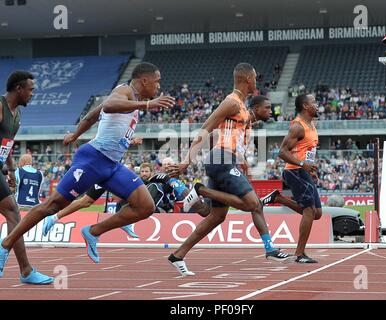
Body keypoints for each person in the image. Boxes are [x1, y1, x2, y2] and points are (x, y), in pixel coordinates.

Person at [0, 62, 175, 269]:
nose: (158, 86)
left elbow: (93, 115)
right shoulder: (124, 91)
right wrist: (147, 105)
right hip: (93, 160)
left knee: (145, 206)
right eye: (157, 82)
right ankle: (6, 244)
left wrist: (76, 134)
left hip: (111, 165)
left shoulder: (131, 99)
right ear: (144, 81)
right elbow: (109, 106)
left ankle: (92, 231)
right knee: (52, 205)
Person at [166, 66, 291, 276]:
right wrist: (187, 161)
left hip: (224, 161)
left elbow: (244, 126)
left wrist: (245, 168)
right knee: (253, 204)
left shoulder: (242, 109)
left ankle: (177, 255)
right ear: (248, 78)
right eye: (255, 78)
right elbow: (205, 128)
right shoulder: (232, 102)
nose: (257, 82)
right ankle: (269, 248)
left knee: (215, 216)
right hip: (220, 160)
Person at [0, 71, 53, 284]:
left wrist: (10, 170)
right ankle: (26, 270)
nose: (33, 94)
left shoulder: (17, 115)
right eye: (30, 90)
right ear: (19, 89)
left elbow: (7, 145)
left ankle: (26, 271)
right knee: (13, 213)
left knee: (13, 213)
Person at [262, 93, 322, 263]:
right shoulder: (298, 126)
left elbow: (306, 150)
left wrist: (309, 168)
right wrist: (303, 165)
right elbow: (282, 152)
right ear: (305, 106)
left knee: (317, 213)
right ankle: (300, 254)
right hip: (294, 171)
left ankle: (278, 197)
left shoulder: (311, 125)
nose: (317, 105)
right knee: (309, 211)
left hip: (303, 171)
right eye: (314, 102)